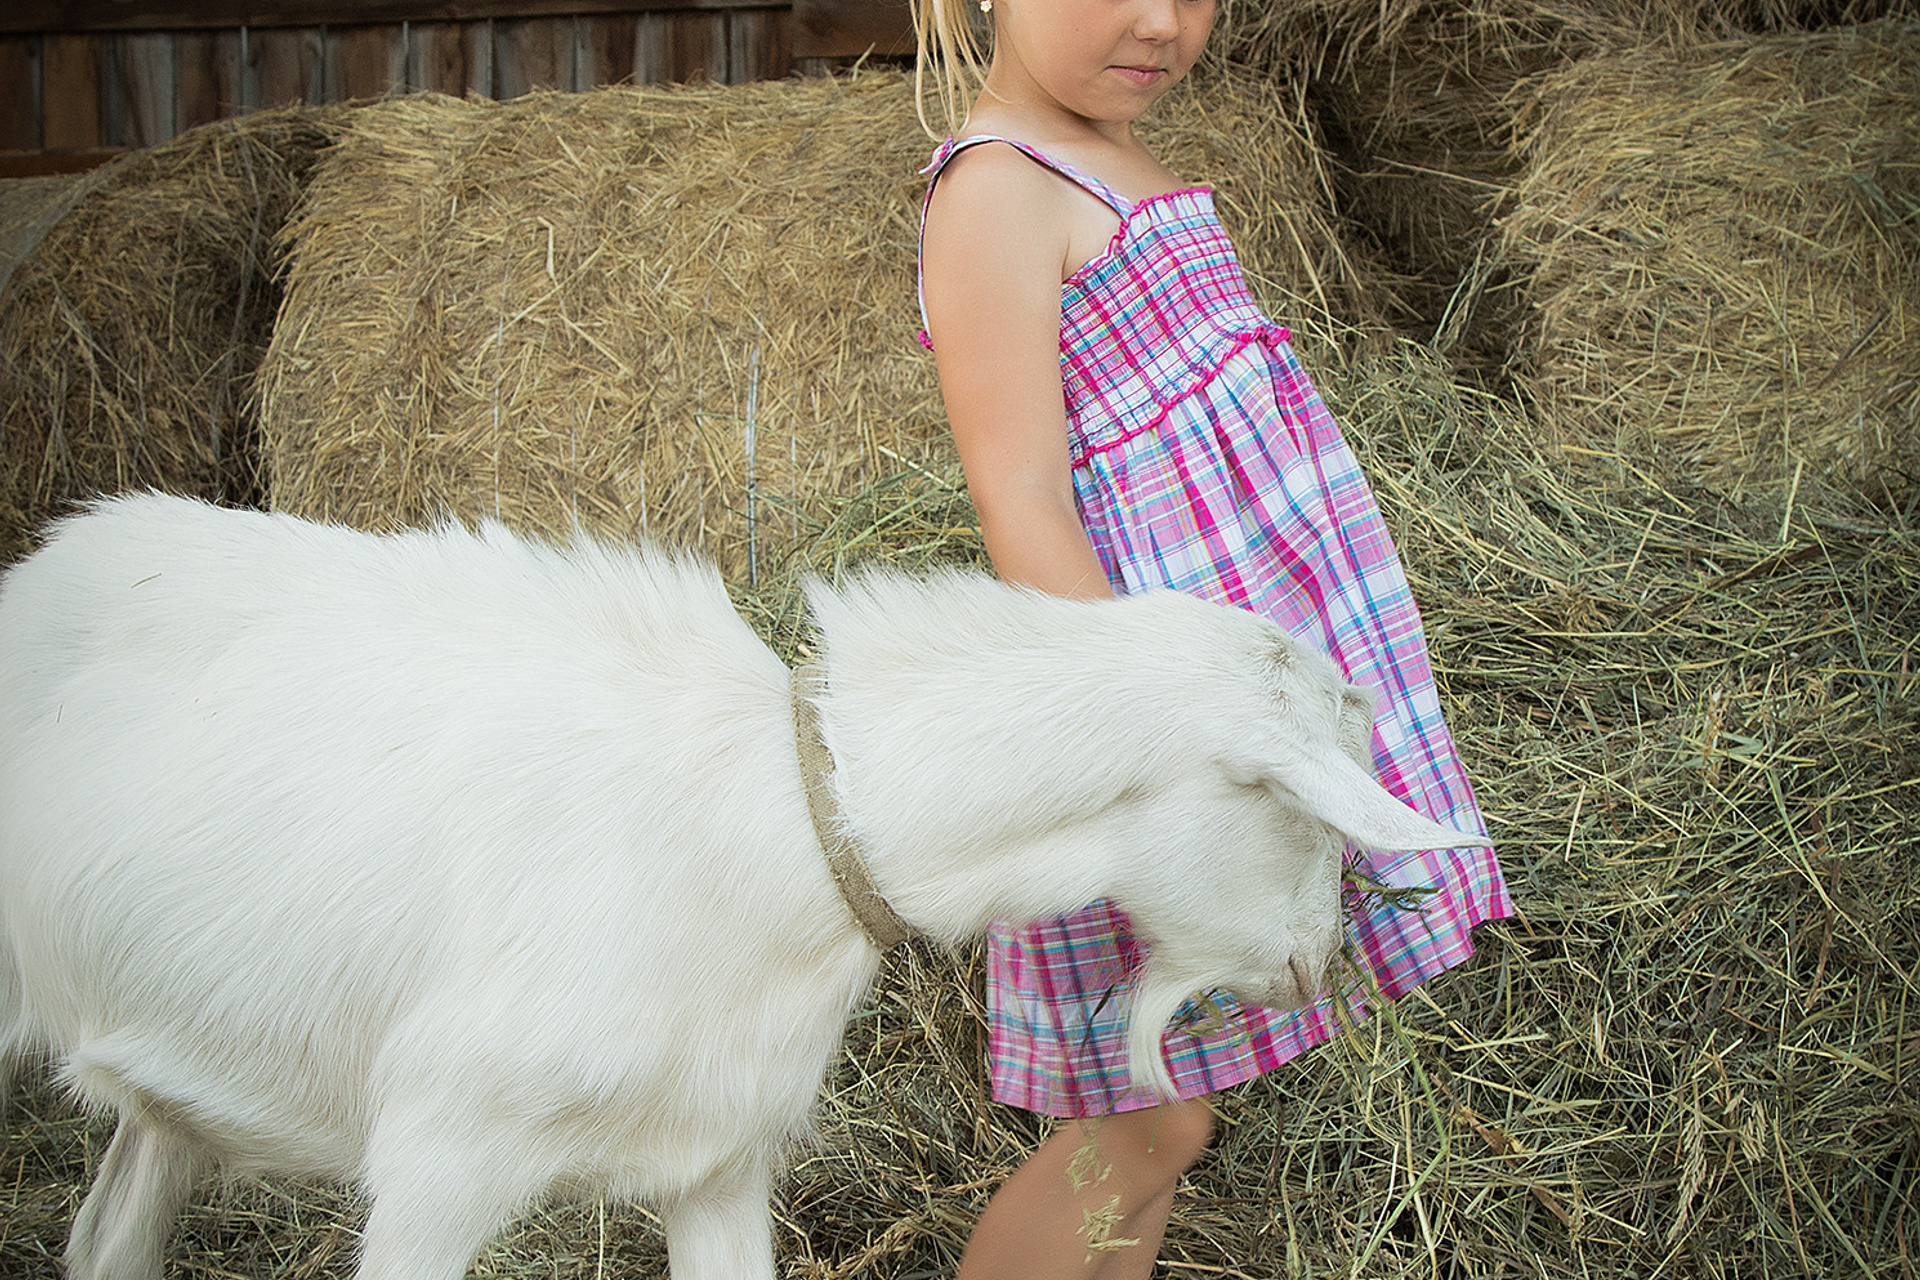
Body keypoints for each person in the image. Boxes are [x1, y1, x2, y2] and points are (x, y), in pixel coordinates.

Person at [910, 0, 1513, 1276]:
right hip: (1145, 729)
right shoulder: (996, 190)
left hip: (1223, 693)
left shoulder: (1116, 158)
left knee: (1161, 1107)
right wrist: (1148, 727)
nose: (1162, 21)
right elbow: (1019, 493)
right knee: (1142, 1118)